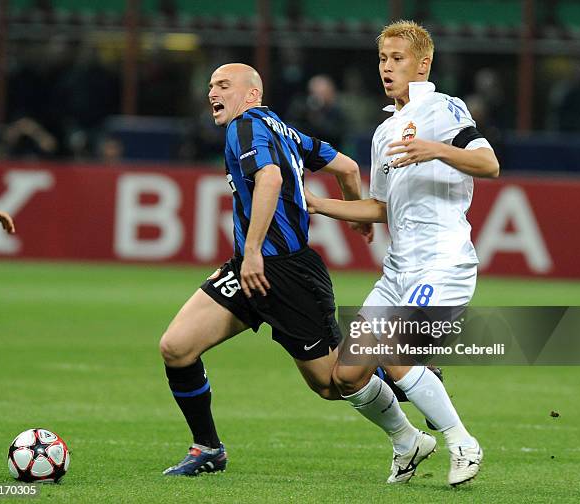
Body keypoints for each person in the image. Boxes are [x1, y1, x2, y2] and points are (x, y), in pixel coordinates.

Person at [159, 62, 403, 477]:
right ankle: (207, 448)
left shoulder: (245, 127)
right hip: (250, 269)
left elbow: (269, 179)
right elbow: (345, 166)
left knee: (331, 384)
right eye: (210, 86)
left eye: (223, 85)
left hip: (285, 272)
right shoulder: (282, 129)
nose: (212, 93)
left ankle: (407, 373)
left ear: (251, 94)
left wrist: (253, 249)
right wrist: (355, 213)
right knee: (177, 347)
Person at [306, 20, 499, 486]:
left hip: (444, 261)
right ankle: (408, 440)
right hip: (398, 271)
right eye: (382, 60)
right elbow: (380, 206)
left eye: (397, 59)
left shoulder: (442, 107)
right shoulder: (384, 131)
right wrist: (316, 203)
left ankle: (462, 443)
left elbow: (488, 163)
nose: (387, 68)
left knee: (394, 351)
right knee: (346, 375)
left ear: (423, 64)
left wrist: (433, 149)